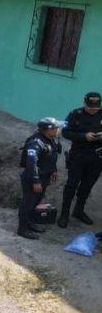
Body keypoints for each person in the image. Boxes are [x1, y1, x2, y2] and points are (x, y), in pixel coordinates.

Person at [58, 91, 102, 227]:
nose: (93, 110)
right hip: (79, 155)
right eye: (90, 107)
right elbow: (65, 132)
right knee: (71, 185)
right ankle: (64, 214)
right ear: (84, 103)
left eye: (96, 107)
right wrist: (84, 136)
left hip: (97, 157)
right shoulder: (75, 114)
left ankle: (79, 210)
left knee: (87, 186)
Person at [17, 118, 62, 240]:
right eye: (56, 128)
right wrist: (35, 181)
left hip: (44, 177)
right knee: (28, 204)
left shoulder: (50, 140)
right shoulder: (36, 143)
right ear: (48, 130)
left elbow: (50, 157)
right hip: (33, 178)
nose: (58, 130)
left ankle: (29, 223)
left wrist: (54, 170)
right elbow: (31, 163)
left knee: (35, 203)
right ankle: (22, 229)